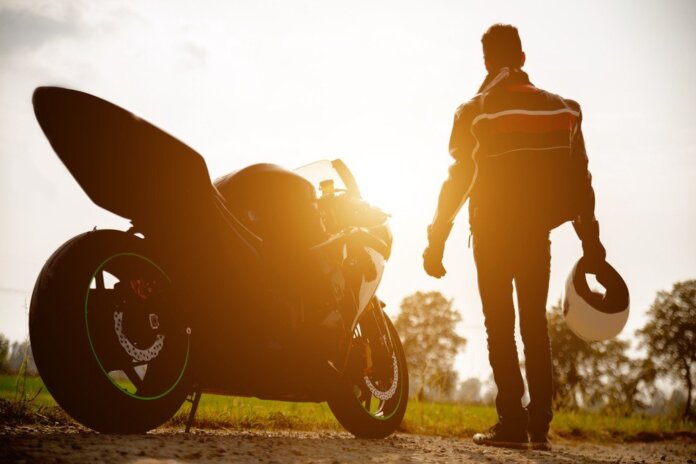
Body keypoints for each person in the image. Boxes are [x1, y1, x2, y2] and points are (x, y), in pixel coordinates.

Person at [422, 24, 606, 450]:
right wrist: (591, 245)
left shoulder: (474, 111)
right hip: (535, 234)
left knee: (500, 326)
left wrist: (436, 239)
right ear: (523, 59)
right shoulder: (565, 111)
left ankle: (511, 422)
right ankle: (539, 424)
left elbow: (457, 180)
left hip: (491, 232)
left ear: (486, 62)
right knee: (534, 327)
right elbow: (581, 184)